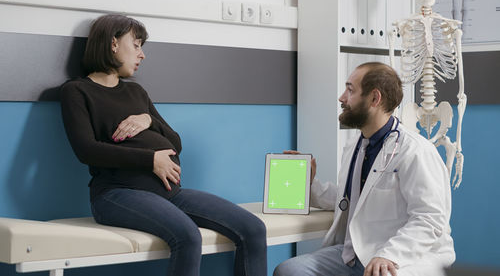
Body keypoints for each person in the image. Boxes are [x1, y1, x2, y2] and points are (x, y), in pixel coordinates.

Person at [60, 14, 267, 276]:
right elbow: (86, 150)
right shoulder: (77, 91)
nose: (142, 55)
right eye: (136, 45)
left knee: (253, 229)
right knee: (188, 237)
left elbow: (175, 142)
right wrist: (151, 160)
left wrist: (148, 119)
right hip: (116, 193)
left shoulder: (136, 93)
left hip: (170, 193)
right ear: (113, 43)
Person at [274, 62, 455, 276]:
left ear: (374, 98)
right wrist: (309, 184)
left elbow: (430, 218)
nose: (342, 98)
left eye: (350, 90)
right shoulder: (356, 145)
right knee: (289, 271)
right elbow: (352, 200)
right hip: (359, 252)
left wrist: (389, 254)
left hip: (405, 256)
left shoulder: (416, 151)